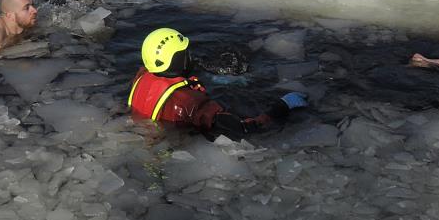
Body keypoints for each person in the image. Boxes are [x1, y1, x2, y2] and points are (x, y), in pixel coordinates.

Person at [128, 27, 307, 139]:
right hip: (176, 142)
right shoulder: (189, 102)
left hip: (147, 131)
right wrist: (282, 106)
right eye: (185, 54)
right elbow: (244, 129)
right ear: (177, 59)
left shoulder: (142, 76)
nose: (190, 57)